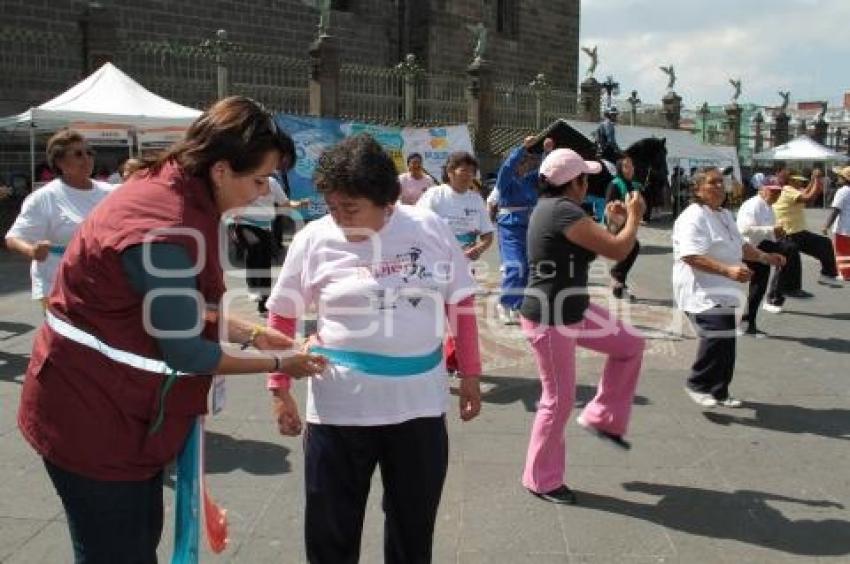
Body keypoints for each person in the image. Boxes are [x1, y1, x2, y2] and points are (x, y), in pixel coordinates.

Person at [17, 97, 327, 564]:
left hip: (118, 407)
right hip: (92, 416)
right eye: (259, 179)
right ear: (221, 170)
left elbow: (173, 303)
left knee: (140, 535)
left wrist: (251, 332)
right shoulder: (165, 227)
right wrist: (285, 363)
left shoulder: (175, 188)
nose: (264, 192)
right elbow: (186, 352)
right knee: (117, 550)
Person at [266, 134, 482, 563]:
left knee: (412, 527)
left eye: (351, 208)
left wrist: (472, 375)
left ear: (387, 201)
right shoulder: (314, 239)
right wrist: (278, 386)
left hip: (418, 406)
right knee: (331, 529)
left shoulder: (428, 227)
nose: (341, 217)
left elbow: (461, 303)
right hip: (339, 409)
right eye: (332, 206)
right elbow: (282, 315)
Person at [519, 148, 647, 505]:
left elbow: (599, 245)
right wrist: (635, 217)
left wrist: (615, 224)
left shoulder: (558, 210)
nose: (588, 183)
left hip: (573, 309)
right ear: (574, 182)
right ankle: (540, 479)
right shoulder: (561, 211)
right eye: (585, 178)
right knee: (557, 401)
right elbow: (619, 253)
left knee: (630, 345)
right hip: (550, 318)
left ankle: (602, 415)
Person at [672, 167, 785, 408]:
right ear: (697, 189)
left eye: (722, 183)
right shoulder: (693, 216)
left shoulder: (723, 214)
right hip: (699, 289)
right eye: (713, 183)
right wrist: (728, 270)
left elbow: (741, 245)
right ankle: (698, 383)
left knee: (727, 342)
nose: (720, 187)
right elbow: (691, 255)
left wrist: (766, 257)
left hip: (724, 290)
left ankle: (719, 390)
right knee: (717, 333)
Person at [5, 129, 112, 309]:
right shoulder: (44, 197)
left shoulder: (111, 192)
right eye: (78, 154)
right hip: (57, 284)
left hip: (102, 282)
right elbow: (13, 238)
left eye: (89, 153)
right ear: (59, 162)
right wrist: (32, 251)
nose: (87, 159)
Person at [417, 151, 493, 372]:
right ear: (450, 172)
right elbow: (418, 225)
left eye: (472, 171)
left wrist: (479, 248)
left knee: (462, 319)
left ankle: (457, 361)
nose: (468, 175)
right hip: (434, 268)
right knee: (433, 318)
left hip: (464, 270)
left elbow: (487, 235)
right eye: (463, 170)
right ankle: (432, 362)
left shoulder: (476, 199)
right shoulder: (435, 195)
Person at [230, 153, 307, 315]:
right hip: (245, 224)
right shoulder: (245, 181)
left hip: (265, 227)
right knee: (255, 246)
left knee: (265, 261)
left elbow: (285, 204)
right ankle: (253, 287)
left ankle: (264, 303)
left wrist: (300, 204)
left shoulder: (273, 183)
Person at [491, 136, 552, 324]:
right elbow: (507, 168)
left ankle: (517, 305)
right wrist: (522, 148)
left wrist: (547, 153)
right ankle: (505, 303)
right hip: (510, 227)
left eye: (526, 162)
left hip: (529, 227)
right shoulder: (505, 181)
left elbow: (544, 170)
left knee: (527, 268)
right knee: (515, 266)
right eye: (522, 161)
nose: (524, 164)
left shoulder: (528, 181)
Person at [736, 178, 801, 333]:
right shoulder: (753, 204)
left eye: (779, 192)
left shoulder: (768, 206)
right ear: (762, 189)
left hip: (762, 244)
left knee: (759, 286)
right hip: (750, 247)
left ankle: (748, 323)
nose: (776, 195)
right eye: (773, 191)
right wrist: (771, 230)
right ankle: (789, 287)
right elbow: (744, 229)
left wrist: (777, 234)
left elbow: (769, 233)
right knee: (789, 249)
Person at [772, 168, 844, 290]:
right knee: (788, 264)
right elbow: (809, 197)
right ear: (791, 180)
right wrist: (816, 179)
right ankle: (780, 293)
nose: (801, 183)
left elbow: (806, 192)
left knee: (824, 244)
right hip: (790, 233)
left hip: (796, 232)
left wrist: (812, 181)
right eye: (798, 181)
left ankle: (826, 275)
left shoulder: (791, 190)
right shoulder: (787, 190)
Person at [605, 156, 642, 301]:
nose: (631, 168)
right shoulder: (615, 183)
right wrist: (626, 209)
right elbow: (610, 205)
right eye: (626, 166)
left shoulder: (632, 185)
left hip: (627, 223)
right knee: (633, 247)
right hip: (615, 225)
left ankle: (619, 285)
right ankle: (617, 277)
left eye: (632, 165)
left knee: (630, 250)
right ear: (620, 168)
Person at [823, 165, 850, 280]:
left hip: (844, 227)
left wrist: (826, 225)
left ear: (845, 178)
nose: (838, 178)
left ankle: (845, 274)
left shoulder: (843, 191)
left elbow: (836, 210)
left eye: (840, 176)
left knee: (842, 252)